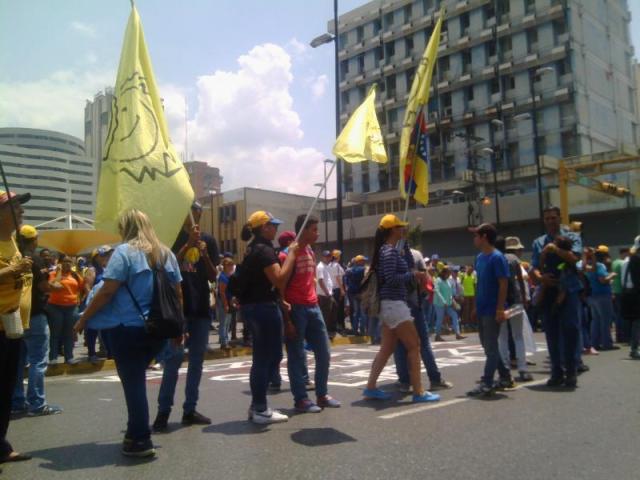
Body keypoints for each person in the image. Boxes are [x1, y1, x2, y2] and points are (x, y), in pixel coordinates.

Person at [74, 209, 181, 457]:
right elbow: (177, 294)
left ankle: (141, 439)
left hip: (128, 329)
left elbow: (108, 290)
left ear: (126, 228)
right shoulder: (166, 253)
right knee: (137, 380)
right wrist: (179, 327)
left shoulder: (124, 252)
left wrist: (84, 319)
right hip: (158, 330)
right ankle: (135, 432)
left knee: (133, 384)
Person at [153, 201, 219, 431]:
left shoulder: (208, 241)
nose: (194, 217)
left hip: (200, 309)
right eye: (190, 213)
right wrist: (187, 245)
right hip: (177, 311)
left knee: (197, 363)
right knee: (173, 360)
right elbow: (165, 268)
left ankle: (189, 409)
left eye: (198, 213)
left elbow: (213, 275)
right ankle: (163, 412)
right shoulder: (170, 239)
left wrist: (205, 254)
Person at [363, 214, 440, 404]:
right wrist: (413, 275)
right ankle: (419, 391)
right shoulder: (388, 252)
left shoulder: (389, 250)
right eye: (400, 227)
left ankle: (371, 387)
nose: (403, 229)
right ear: (392, 230)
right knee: (414, 346)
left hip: (390, 306)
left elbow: (402, 267)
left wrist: (404, 247)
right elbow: (391, 278)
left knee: (386, 349)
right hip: (394, 305)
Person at [238, 211, 297, 424]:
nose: (276, 228)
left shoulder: (253, 248)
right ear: (264, 228)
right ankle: (261, 408)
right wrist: (291, 254)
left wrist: (280, 301)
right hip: (263, 309)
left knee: (263, 358)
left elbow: (264, 283)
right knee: (265, 359)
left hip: (256, 307)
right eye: (273, 225)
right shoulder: (264, 250)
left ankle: (257, 406)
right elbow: (280, 280)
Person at [283, 215, 341, 413]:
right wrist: (287, 318)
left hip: (313, 307)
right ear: (304, 230)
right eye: (314, 229)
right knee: (297, 356)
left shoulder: (310, 251)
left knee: (324, 352)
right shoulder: (288, 253)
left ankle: (322, 394)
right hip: (296, 309)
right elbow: (280, 286)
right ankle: (301, 399)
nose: (317, 233)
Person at [11, 225, 62, 416]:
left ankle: (17, 401)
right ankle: (37, 403)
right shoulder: (35, 259)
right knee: (38, 361)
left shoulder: (15, 257)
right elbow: (44, 287)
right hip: (34, 315)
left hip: (15, 315)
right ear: (34, 240)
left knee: (18, 361)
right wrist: (57, 285)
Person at [531, 206, 583, 388]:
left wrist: (555, 250)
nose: (550, 221)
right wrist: (539, 277)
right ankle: (556, 372)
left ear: (560, 218)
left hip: (568, 289)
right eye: (547, 218)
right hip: (548, 291)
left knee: (570, 329)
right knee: (551, 332)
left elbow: (575, 258)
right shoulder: (538, 242)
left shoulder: (573, 237)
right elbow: (534, 266)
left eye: (553, 218)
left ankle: (571, 370)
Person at [0, 190, 33, 466]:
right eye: (14, 207)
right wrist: (11, 272)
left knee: (7, 389)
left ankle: (1, 446)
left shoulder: (12, 240)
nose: (21, 212)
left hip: (12, 327)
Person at [394, 243, 453, 394]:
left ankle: (404, 382)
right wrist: (420, 296)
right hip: (414, 303)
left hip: (396, 304)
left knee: (400, 345)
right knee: (423, 343)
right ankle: (434, 379)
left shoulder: (388, 254)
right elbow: (425, 280)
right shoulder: (415, 254)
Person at [467, 224, 514, 397]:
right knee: (487, 346)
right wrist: (475, 307)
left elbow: (503, 283)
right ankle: (505, 376)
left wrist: (500, 309)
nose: (474, 239)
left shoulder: (498, 258)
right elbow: (479, 284)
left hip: (493, 309)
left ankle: (487, 382)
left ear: (484, 237)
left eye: (476, 235)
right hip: (482, 308)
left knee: (491, 347)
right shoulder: (479, 258)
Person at [497, 236, 533, 382]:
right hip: (515, 300)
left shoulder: (495, 258)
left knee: (503, 337)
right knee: (518, 336)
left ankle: (505, 370)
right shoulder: (514, 259)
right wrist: (524, 298)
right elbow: (520, 278)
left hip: (500, 302)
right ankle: (523, 369)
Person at [578, 247, 618, 352]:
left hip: (592, 295)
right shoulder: (600, 266)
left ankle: (594, 342)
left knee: (595, 320)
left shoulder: (587, 267)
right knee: (605, 320)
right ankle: (607, 343)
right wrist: (612, 276)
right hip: (603, 294)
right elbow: (603, 280)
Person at [47, 255, 82, 364]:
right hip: (55, 307)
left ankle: (69, 357)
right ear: (60, 263)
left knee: (69, 333)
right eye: (64, 261)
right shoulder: (53, 274)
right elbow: (53, 285)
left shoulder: (75, 275)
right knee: (55, 332)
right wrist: (58, 272)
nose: (67, 263)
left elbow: (81, 288)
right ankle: (53, 357)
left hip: (71, 307)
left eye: (69, 261)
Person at [83, 246, 115, 362]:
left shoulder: (107, 268)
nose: (105, 257)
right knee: (92, 329)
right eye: (102, 255)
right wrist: (91, 303)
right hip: (95, 304)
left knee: (107, 329)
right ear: (95, 258)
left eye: (106, 255)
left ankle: (110, 353)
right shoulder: (92, 270)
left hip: (105, 304)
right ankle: (91, 353)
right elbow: (87, 287)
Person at [621, 236, 640, 359]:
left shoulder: (627, 261)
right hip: (636, 294)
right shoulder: (636, 260)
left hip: (628, 293)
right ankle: (634, 349)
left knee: (635, 322)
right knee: (637, 323)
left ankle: (634, 347)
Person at [433, 267, 464, 341]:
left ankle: (457, 334)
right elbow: (437, 291)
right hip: (439, 304)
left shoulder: (447, 281)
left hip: (448, 304)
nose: (449, 275)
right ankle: (437, 335)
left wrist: (453, 301)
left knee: (454, 315)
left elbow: (450, 292)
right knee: (439, 319)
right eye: (448, 273)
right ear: (443, 273)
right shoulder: (438, 280)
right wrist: (443, 301)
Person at [344, 255, 367, 335]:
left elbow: (345, 280)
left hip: (352, 293)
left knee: (355, 312)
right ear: (359, 262)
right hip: (361, 293)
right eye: (363, 260)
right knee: (363, 313)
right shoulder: (363, 269)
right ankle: (362, 330)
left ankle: (354, 330)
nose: (364, 262)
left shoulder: (349, 270)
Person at [612, 247, 630, 343]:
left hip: (615, 290)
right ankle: (624, 335)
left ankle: (619, 335)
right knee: (623, 315)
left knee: (618, 314)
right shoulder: (623, 263)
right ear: (625, 253)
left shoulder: (615, 262)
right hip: (622, 290)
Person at [216, 257, 235, 349]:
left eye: (232, 265)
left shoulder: (229, 276)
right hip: (224, 301)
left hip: (229, 300)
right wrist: (225, 304)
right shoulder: (223, 277)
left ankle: (226, 339)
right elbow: (222, 292)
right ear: (224, 266)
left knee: (228, 322)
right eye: (229, 265)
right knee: (224, 322)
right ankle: (224, 342)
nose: (231, 267)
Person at [316, 250, 336, 337]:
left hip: (328, 294)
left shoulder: (326, 266)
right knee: (325, 314)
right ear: (322, 257)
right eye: (326, 256)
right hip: (324, 295)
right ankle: (322, 333)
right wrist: (327, 293)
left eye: (329, 256)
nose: (328, 258)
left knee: (330, 312)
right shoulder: (320, 267)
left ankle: (325, 331)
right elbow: (320, 281)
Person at [327, 250, 346, 332]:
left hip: (332, 289)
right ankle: (340, 326)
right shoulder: (337, 265)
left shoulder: (329, 265)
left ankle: (334, 326)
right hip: (337, 288)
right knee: (340, 308)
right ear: (338, 257)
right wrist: (342, 290)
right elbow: (338, 278)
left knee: (334, 309)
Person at [460, 265, 477, 330]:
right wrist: (462, 294)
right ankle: (466, 323)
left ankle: (472, 322)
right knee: (466, 309)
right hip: (465, 294)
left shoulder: (473, 276)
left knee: (472, 309)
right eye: (469, 270)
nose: (470, 271)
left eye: (471, 270)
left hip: (472, 294)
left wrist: (475, 294)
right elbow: (460, 284)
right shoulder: (463, 275)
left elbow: (475, 285)